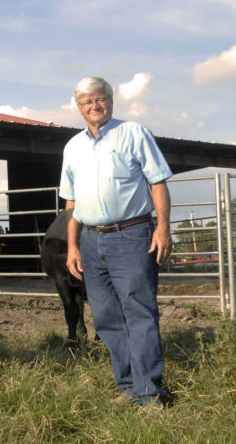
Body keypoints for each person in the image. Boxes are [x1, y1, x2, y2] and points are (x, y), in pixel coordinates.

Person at [60, 76, 173, 408]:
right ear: (78, 108)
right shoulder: (72, 147)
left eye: (100, 99)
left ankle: (150, 392)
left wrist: (163, 227)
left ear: (110, 100)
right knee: (107, 316)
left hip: (132, 235)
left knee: (139, 311)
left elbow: (158, 182)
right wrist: (72, 245)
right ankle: (127, 386)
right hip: (91, 241)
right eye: (86, 102)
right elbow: (70, 203)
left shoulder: (134, 132)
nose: (94, 106)